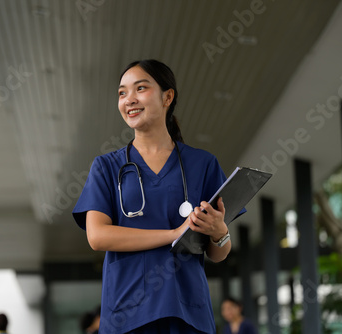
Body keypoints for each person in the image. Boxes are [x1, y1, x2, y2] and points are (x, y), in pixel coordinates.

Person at [72, 59, 244, 334]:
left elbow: (218, 253)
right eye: (122, 93)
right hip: (128, 313)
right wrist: (173, 233)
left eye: (140, 88)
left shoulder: (203, 164)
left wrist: (219, 231)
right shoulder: (106, 167)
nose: (129, 99)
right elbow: (98, 236)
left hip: (187, 312)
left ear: (168, 96)